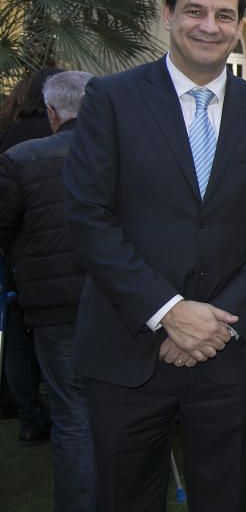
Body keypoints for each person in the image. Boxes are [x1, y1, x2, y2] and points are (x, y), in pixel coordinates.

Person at [63, 0, 246, 512]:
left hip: (229, 352)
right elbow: (88, 215)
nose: (209, 25)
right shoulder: (112, 99)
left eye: (224, 14)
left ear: (239, 25)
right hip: (127, 349)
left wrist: (217, 320)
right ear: (167, 14)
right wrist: (169, 310)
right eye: (194, 10)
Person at [0, 70, 96, 511]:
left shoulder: (21, 157)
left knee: (74, 416)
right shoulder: (127, 154)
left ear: (53, 113)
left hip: (55, 311)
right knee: (115, 413)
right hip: (125, 303)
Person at [0, 67, 63, 437]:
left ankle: (28, 415)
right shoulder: (87, 136)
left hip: (25, 258)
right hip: (68, 257)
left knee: (21, 342)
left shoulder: (12, 135)